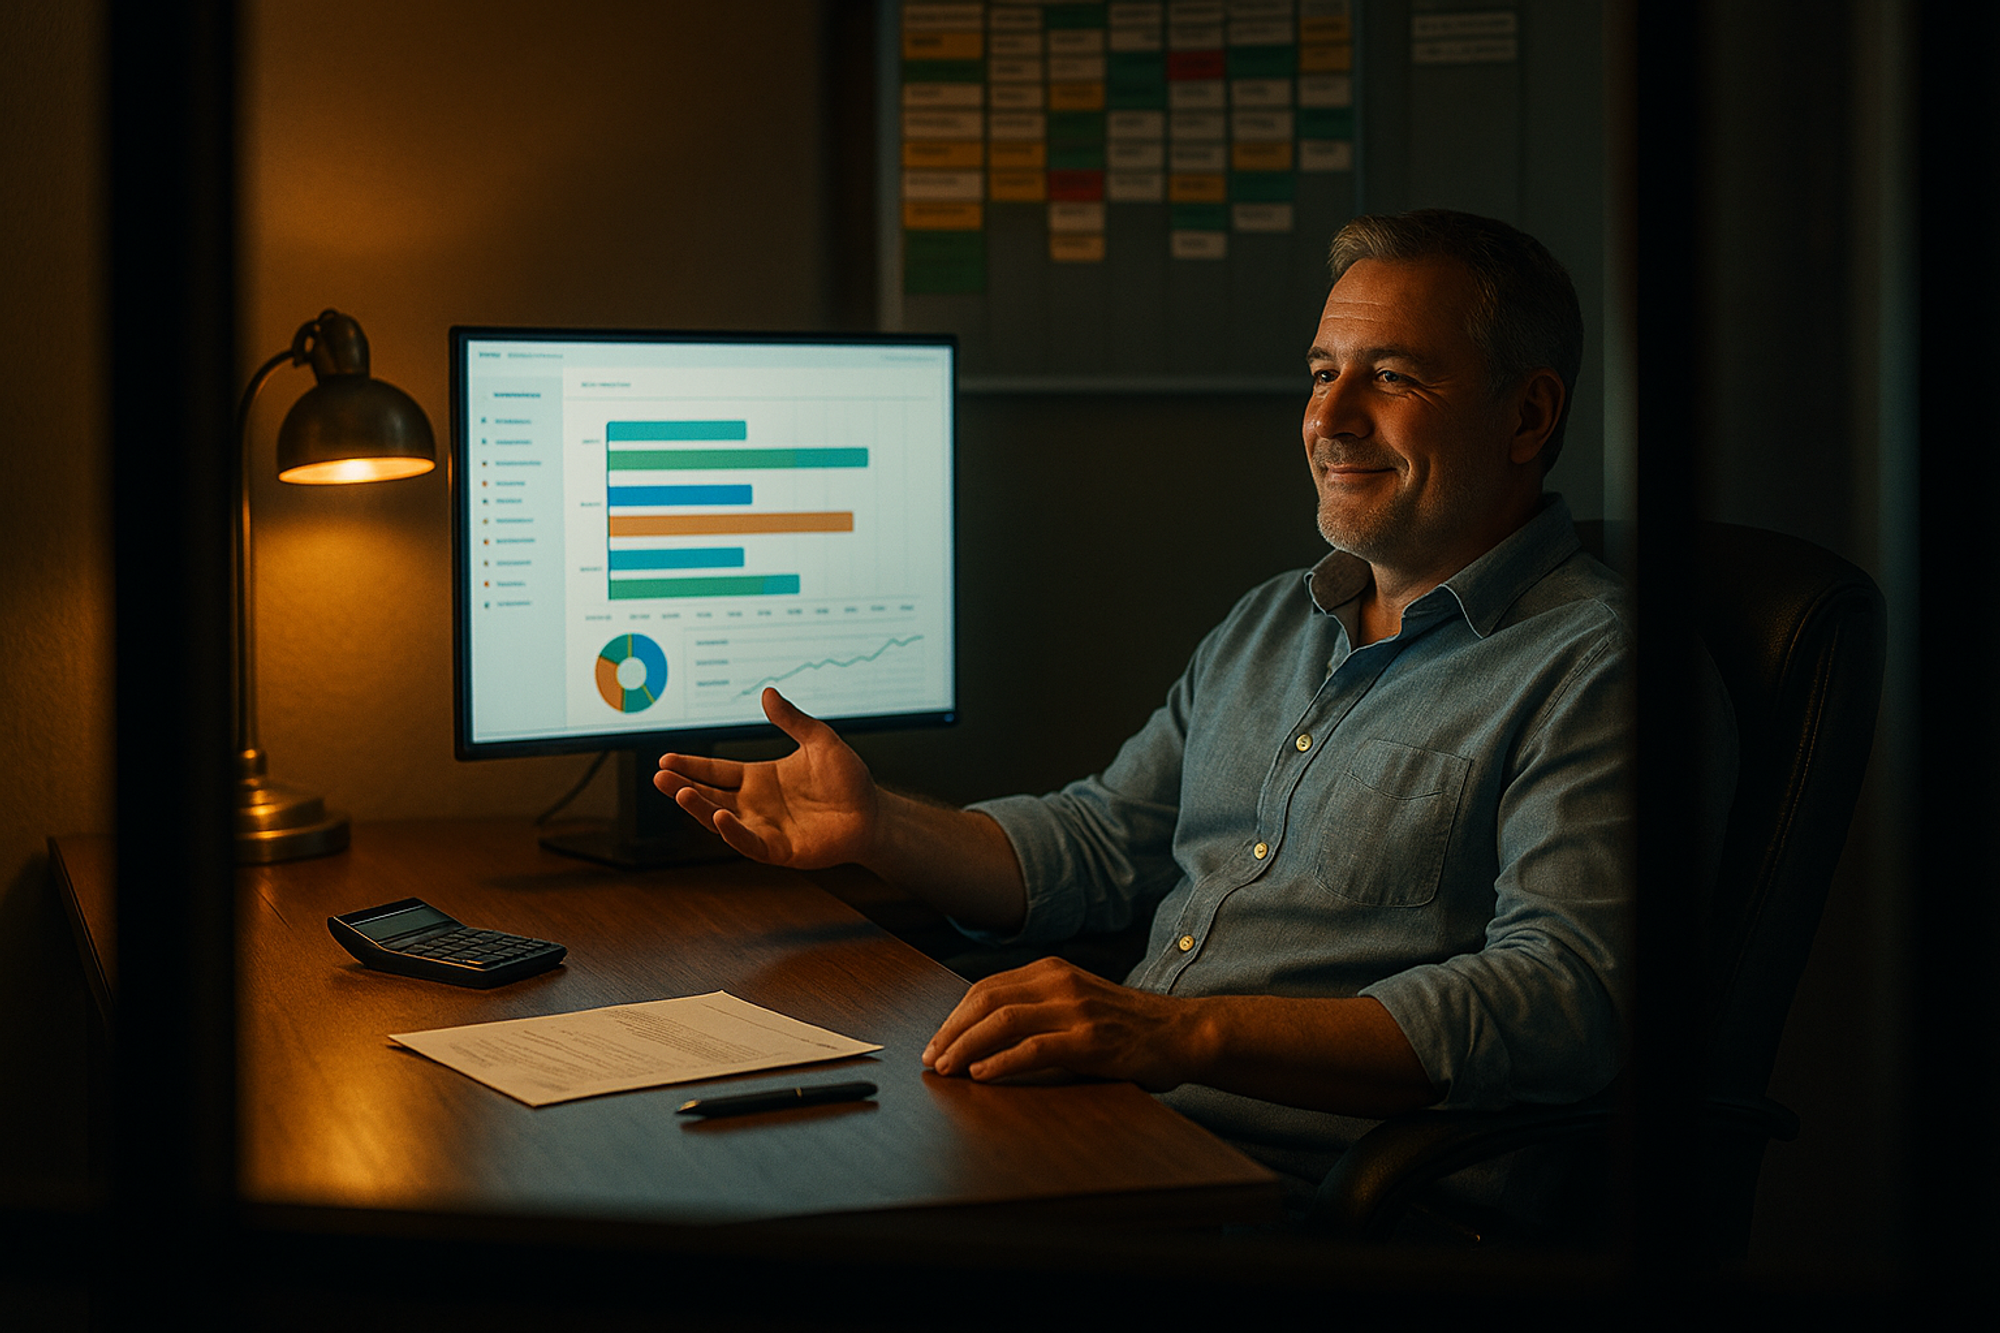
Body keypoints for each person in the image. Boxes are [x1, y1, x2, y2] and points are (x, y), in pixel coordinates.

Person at [655, 209, 1734, 1212]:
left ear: (1528, 413)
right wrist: (881, 827)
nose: (1330, 416)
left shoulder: (1597, 666)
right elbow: (1100, 840)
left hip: (1309, 1200)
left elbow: (1562, 1005)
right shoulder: (1275, 620)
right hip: (1121, 1134)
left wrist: (1178, 1032)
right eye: (1321, 372)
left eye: (1391, 376)